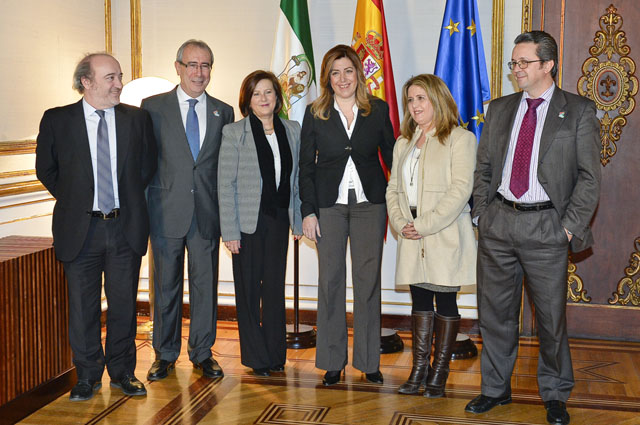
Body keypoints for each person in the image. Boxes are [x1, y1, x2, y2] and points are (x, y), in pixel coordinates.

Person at [465, 31, 600, 425]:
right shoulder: (500, 109)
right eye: (513, 63)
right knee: (494, 314)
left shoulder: (577, 111)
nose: (516, 70)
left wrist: (568, 229)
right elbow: (485, 168)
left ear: (548, 65)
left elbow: (589, 178)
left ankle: (555, 394)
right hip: (499, 223)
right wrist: (481, 215)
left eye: (524, 62)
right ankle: (494, 389)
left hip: (548, 226)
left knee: (550, 320)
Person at [35, 53, 157, 401]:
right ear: (86, 82)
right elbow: (47, 169)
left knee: (123, 306)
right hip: (80, 230)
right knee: (83, 308)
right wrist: (78, 200)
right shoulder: (58, 120)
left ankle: (122, 373)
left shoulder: (138, 119)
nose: (119, 84)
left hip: (124, 228)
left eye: (119, 76)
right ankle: (87, 375)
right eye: (110, 78)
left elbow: (146, 168)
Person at [299, 44, 395, 386]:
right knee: (331, 282)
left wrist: (398, 204)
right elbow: (305, 168)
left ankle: (369, 361)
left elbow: (393, 160)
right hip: (329, 207)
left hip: (371, 205)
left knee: (368, 283)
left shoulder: (378, 110)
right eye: (335, 72)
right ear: (328, 77)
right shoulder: (315, 113)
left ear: (359, 73)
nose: (343, 79)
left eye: (348, 71)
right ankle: (332, 360)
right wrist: (308, 212)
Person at [142, 39, 234, 381]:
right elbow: (144, 161)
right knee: (165, 286)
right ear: (178, 67)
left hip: (206, 213)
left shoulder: (223, 111)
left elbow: (223, 168)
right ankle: (164, 354)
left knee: (205, 286)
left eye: (206, 65)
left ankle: (202, 352)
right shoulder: (151, 107)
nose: (199, 72)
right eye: (192, 65)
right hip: (165, 211)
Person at [386, 74, 476, 398]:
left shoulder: (460, 139)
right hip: (411, 236)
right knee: (420, 301)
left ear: (437, 99)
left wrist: (423, 224)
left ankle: (439, 373)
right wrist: (400, 223)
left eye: (421, 98)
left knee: (445, 301)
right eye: (410, 100)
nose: (414, 106)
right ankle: (418, 370)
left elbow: (461, 190)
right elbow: (393, 189)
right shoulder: (403, 143)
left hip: (444, 234)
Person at [218, 70, 302, 376]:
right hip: (246, 226)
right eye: (257, 94)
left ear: (278, 98)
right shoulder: (234, 133)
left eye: (268, 92)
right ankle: (256, 358)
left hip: (279, 220)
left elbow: (296, 180)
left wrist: (299, 218)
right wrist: (229, 231)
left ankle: (276, 354)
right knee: (249, 291)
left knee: (274, 291)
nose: (263, 99)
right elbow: (225, 185)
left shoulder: (292, 129)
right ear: (247, 100)